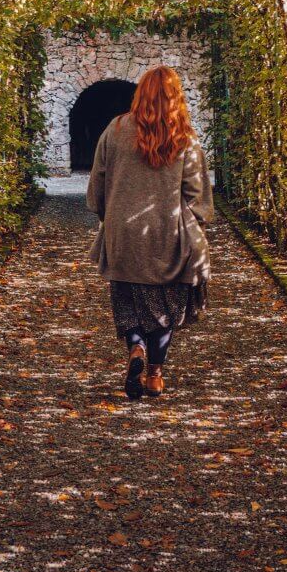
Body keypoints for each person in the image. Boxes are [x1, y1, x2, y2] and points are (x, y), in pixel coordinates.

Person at [86, 66, 214, 399]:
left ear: (140, 92)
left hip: (123, 236)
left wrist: (109, 216)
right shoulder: (186, 138)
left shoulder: (114, 130)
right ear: (177, 97)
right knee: (165, 310)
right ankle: (155, 374)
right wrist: (195, 227)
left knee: (127, 302)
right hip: (167, 237)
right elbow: (197, 198)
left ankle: (136, 349)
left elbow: (96, 187)